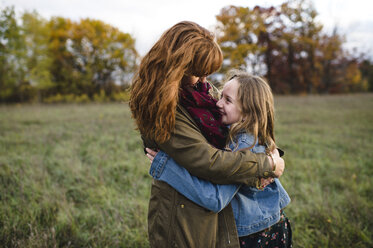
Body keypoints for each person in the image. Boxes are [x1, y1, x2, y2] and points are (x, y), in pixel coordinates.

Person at [129, 21, 285, 248]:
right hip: (183, 212)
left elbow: (247, 121)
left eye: (206, 74)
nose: (205, 81)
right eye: (198, 73)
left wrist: (268, 154)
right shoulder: (163, 108)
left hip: (210, 209)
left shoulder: (199, 91)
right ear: (178, 68)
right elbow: (209, 162)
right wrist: (266, 164)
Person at [146, 70, 292, 248]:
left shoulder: (244, 145)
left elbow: (214, 199)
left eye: (227, 100)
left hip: (258, 236)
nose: (218, 103)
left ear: (248, 113)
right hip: (266, 226)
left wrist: (166, 167)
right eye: (221, 96)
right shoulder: (243, 133)